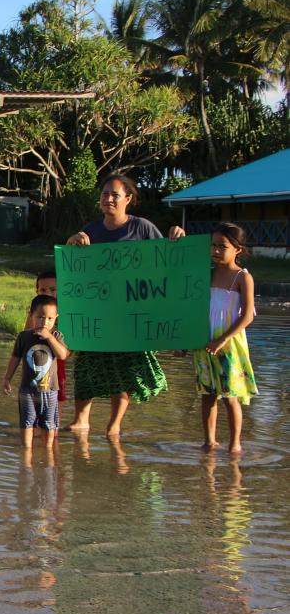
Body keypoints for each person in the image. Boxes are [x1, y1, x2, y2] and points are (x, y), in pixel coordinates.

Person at [64, 173, 185, 437]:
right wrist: (72, 242)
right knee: (86, 367)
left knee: (125, 370)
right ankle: (80, 419)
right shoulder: (91, 230)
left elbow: (166, 260)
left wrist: (177, 237)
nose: (108, 199)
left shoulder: (142, 228)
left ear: (128, 199)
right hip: (98, 312)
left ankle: (114, 424)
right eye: (105, 194)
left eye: (115, 195)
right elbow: (73, 269)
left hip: (131, 314)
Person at [193, 223, 258, 454]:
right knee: (207, 394)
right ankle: (209, 441)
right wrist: (185, 342)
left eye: (222, 246)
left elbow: (248, 316)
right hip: (204, 342)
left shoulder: (242, 277)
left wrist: (223, 339)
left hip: (229, 343)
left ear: (237, 249)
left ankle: (234, 445)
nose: (216, 250)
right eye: (213, 245)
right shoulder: (206, 274)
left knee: (230, 396)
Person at [2, 295, 70, 449]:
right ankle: (26, 452)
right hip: (27, 389)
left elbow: (63, 355)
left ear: (56, 319)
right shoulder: (24, 337)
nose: (45, 322)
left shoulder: (56, 336)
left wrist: (49, 338)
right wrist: (7, 378)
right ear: (31, 315)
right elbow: (15, 358)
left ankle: (48, 452)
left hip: (50, 389)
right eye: (40, 317)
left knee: (48, 422)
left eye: (50, 318)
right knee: (27, 420)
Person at [34, 271, 68, 404]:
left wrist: (49, 334)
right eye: (43, 290)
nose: (47, 293)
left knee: (57, 394)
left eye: (53, 289)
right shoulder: (35, 310)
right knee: (34, 394)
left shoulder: (64, 311)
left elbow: (66, 350)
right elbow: (26, 332)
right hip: (35, 361)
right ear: (37, 291)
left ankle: (55, 423)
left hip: (55, 362)